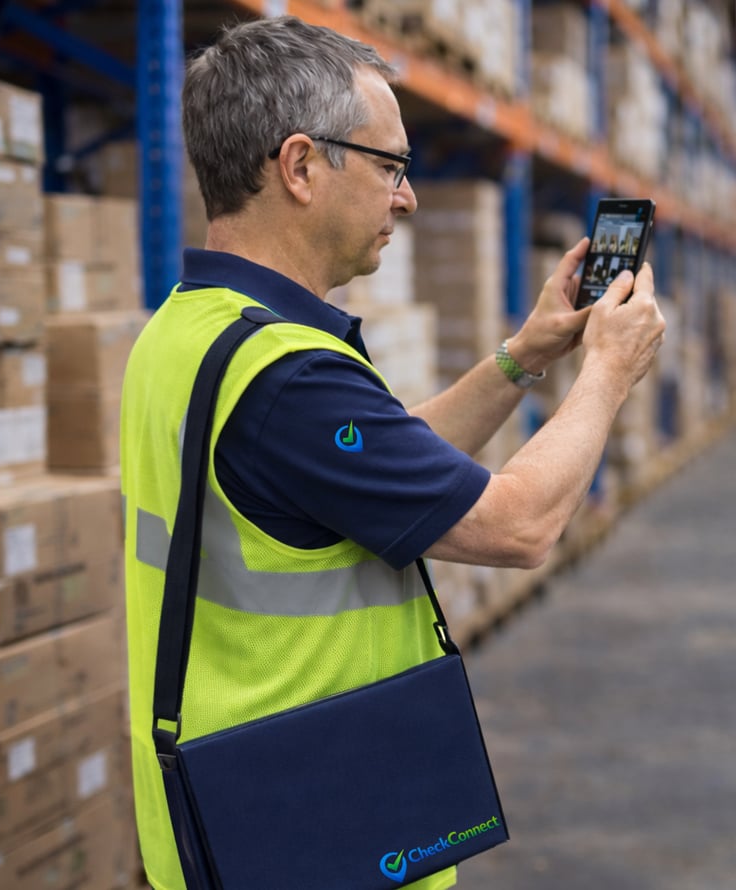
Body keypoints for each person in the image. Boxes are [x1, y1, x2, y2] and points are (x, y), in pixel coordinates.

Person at [120, 15, 666, 890]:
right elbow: (519, 526)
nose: (407, 198)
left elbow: (379, 477)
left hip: (228, 816)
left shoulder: (188, 330)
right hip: (312, 835)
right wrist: (607, 371)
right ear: (299, 166)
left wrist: (524, 356)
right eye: (389, 166)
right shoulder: (288, 378)